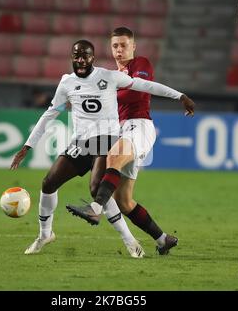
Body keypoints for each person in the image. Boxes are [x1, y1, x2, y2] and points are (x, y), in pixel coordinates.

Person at [11, 39, 192, 258]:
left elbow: (146, 85)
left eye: (85, 56)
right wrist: (28, 145)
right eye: (76, 55)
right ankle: (44, 235)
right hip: (80, 143)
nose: (80, 60)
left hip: (107, 139)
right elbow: (50, 113)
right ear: (71, 57)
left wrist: (179, 96)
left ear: (92, 58)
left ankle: (129, 240)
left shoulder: (108, 76)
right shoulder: (66, 83)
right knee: (48, 183)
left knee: (98, 189)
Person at [66, 27, 195, 255]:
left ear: (133, 46)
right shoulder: (110, 76)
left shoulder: (140, 65)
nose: (119, 50)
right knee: (124, 202)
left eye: (124, 45)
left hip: (140, 126)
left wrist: (180, 95)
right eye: (115, 46)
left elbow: (136, 92)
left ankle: (95, 208)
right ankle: (163, 239)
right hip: (121, 130)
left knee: (112, 157)